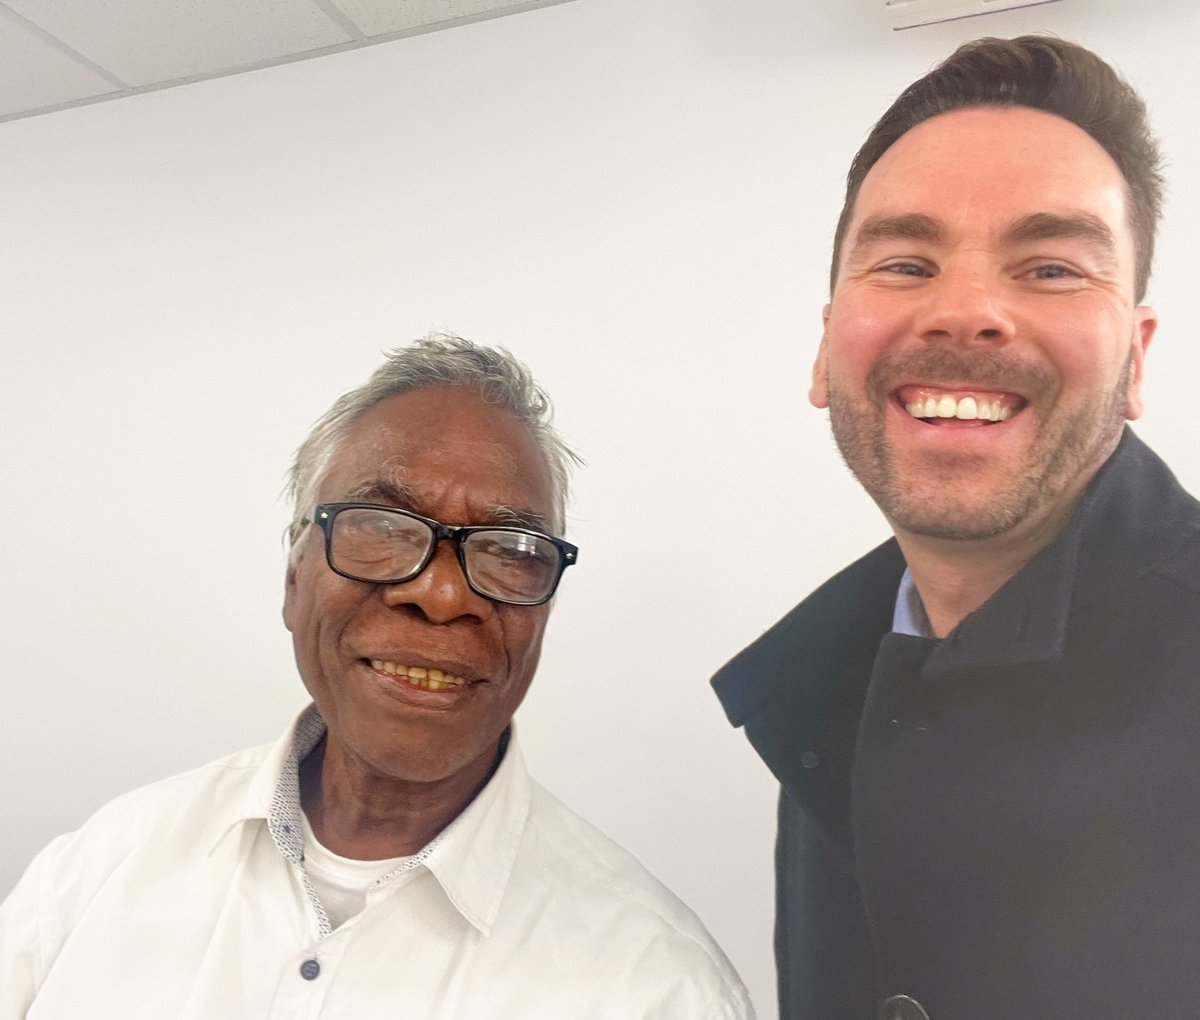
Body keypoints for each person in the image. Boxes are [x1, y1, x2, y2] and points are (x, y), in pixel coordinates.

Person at [2, 334, 754, 1019]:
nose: (441, 594)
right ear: (294, 574)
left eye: (506, 549)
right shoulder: (99, 872)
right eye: (382, 528)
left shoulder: (659, 988)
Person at [711, 35, 1200, 1020]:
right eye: (904, 259)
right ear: (825, 346)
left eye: (1052, 267)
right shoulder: (821, 698)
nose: (967, 310)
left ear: (1137, 359)